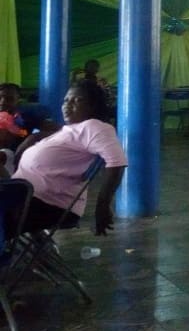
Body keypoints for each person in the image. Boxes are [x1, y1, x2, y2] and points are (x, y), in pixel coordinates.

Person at [7, 80, 127, 235]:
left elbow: (116, 162)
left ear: (93, 106)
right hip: (23, 196)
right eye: (65, 100)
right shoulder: (71, 129)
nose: (67, 105)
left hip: (45, 204)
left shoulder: (95, 127)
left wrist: (102, 206)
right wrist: (35, 139)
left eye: (76, 100)